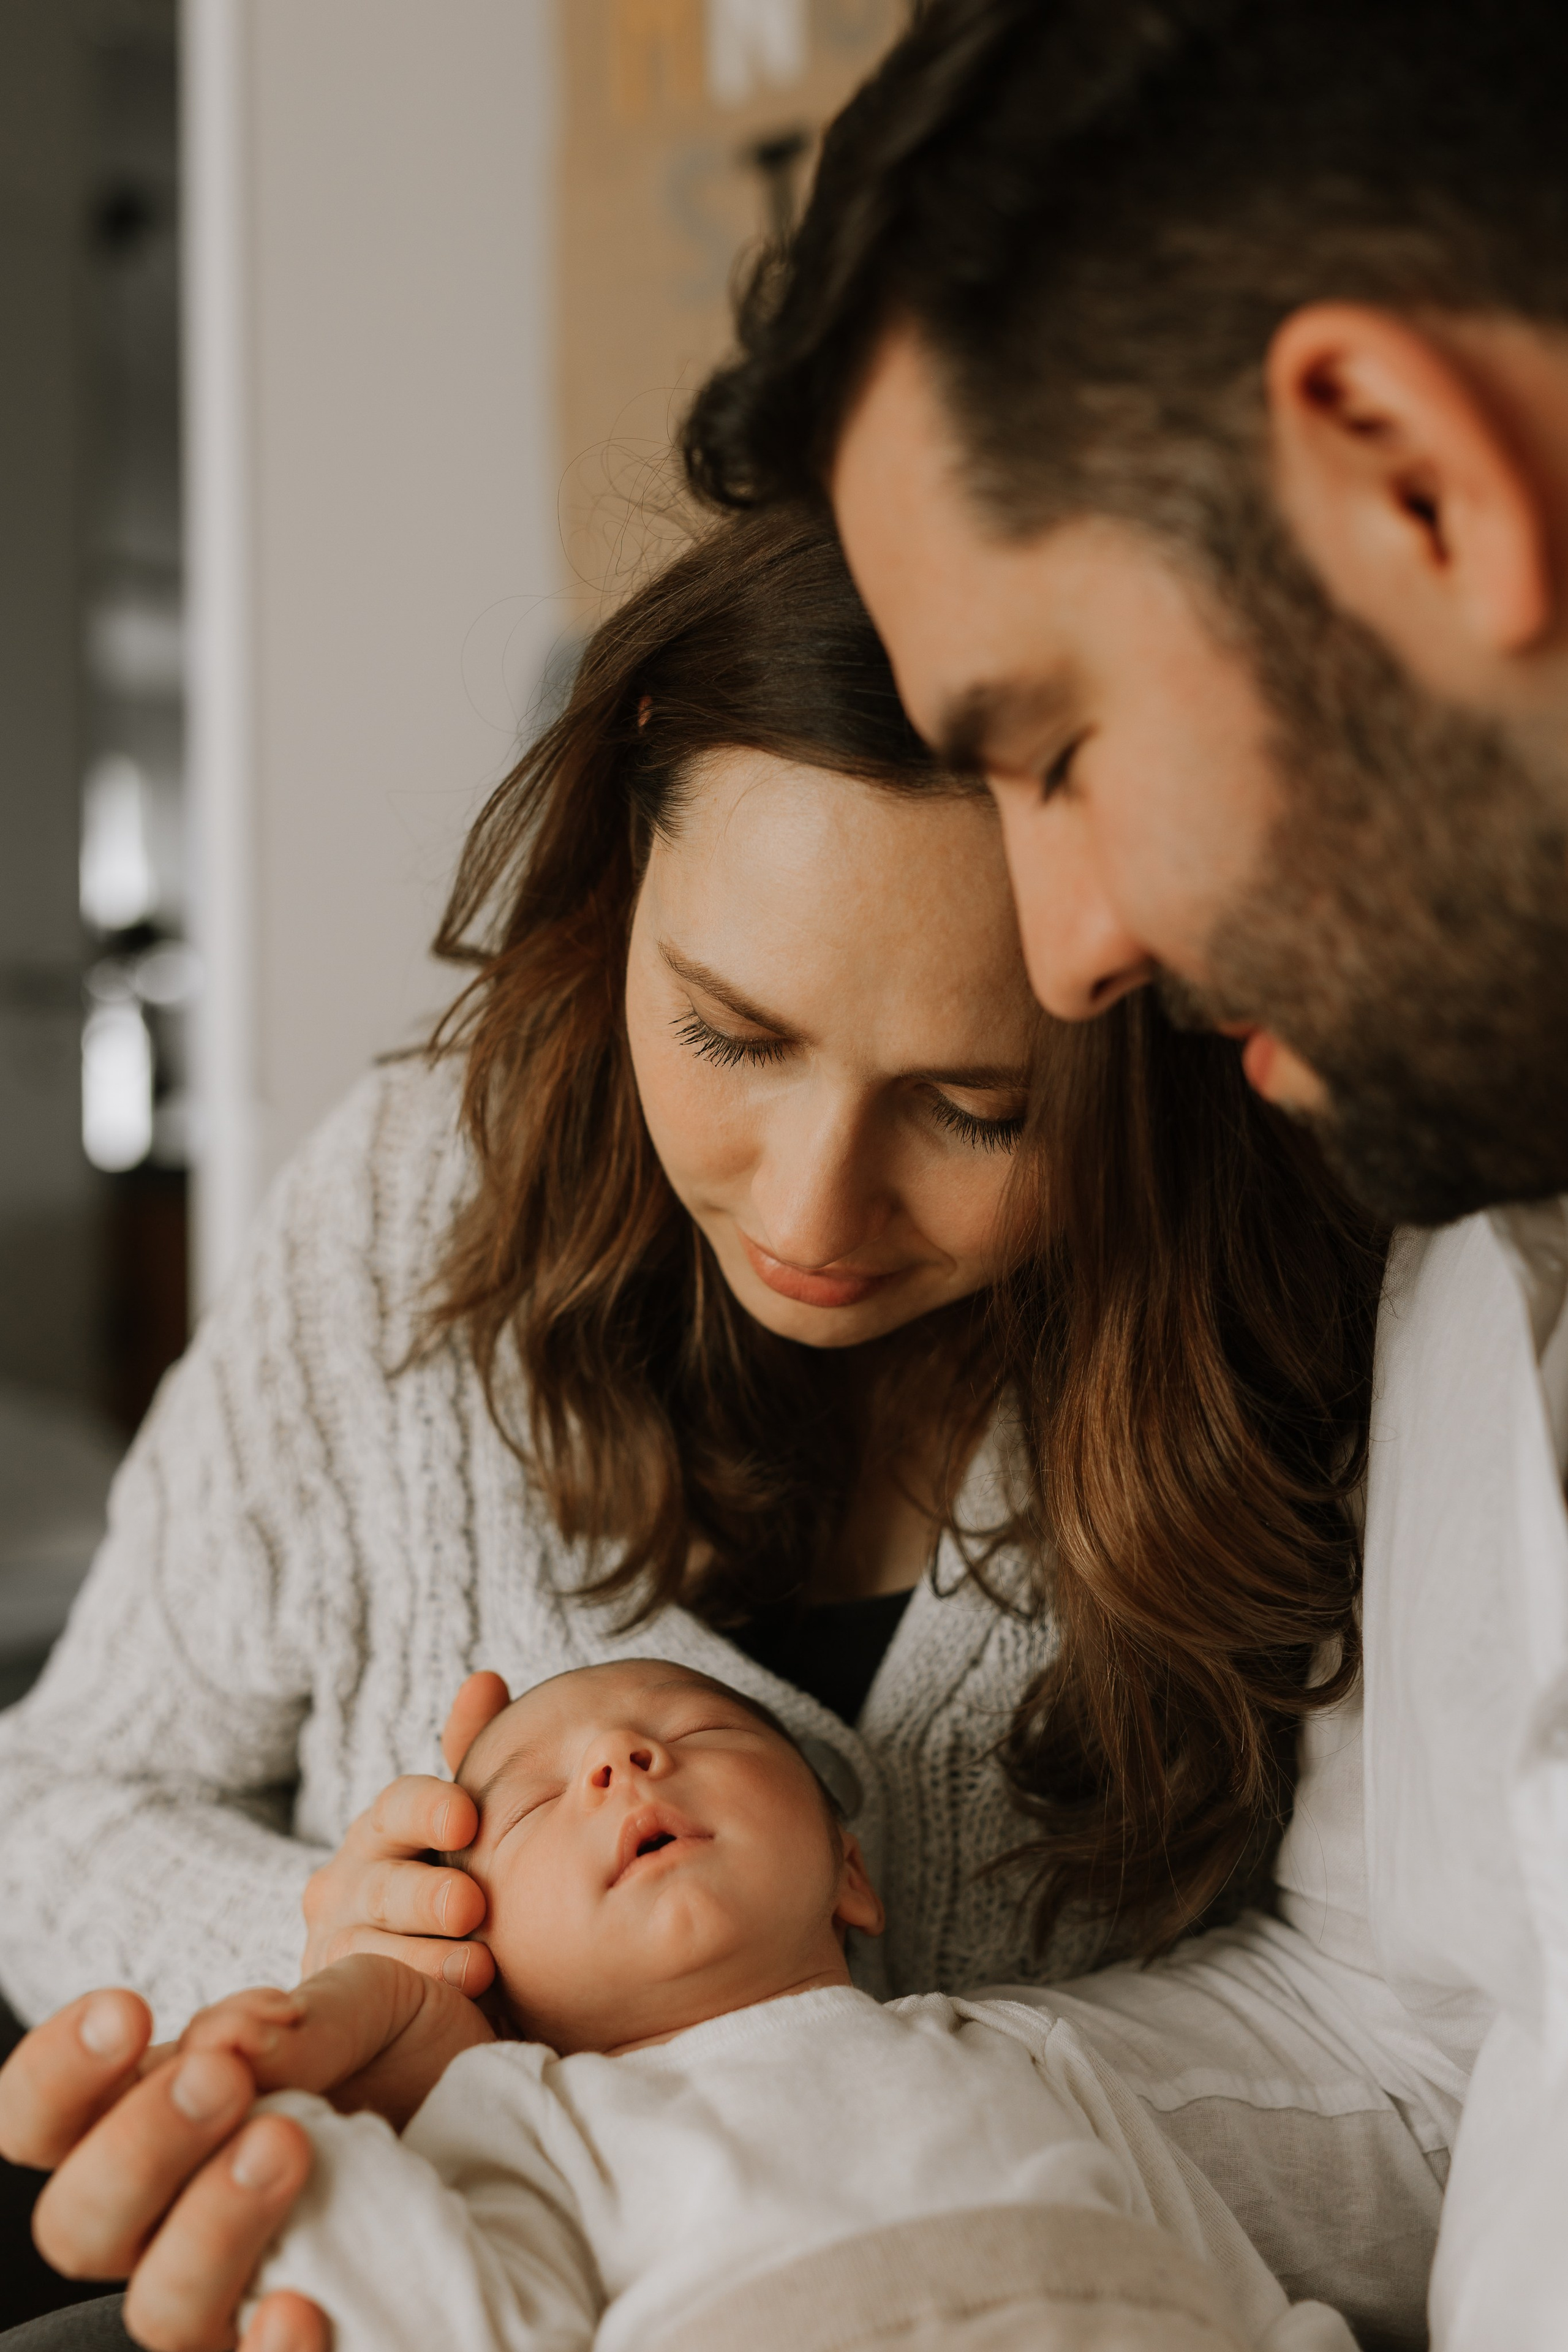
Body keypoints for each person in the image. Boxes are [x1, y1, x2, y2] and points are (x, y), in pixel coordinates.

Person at [0, 503, 1383, 2351]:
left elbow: (1427, 2042)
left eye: (978, 1108)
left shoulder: (1312, 1313)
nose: (814, 1216)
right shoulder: (415, 1207)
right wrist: (393, 2009)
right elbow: (53, 1807)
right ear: (628, 846)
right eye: (732, 1035)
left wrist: (854, 2098)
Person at [676, 2, 1568, 2346]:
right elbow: (1413, 2053)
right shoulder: (1475, 1205)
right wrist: (647, 2118)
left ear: (1409, 477)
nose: (1072, 959)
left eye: (1056, 748)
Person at [135, 1658, 1354, 2352]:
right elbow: (458, 2319)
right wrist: (292, 2145)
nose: (619, 1760)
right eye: (533, 1801)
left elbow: (1239, 2297)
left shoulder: (1024, 2046)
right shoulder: (534, 2113)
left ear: (850, 1871)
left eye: (699, 1729)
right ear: (477, 1957)